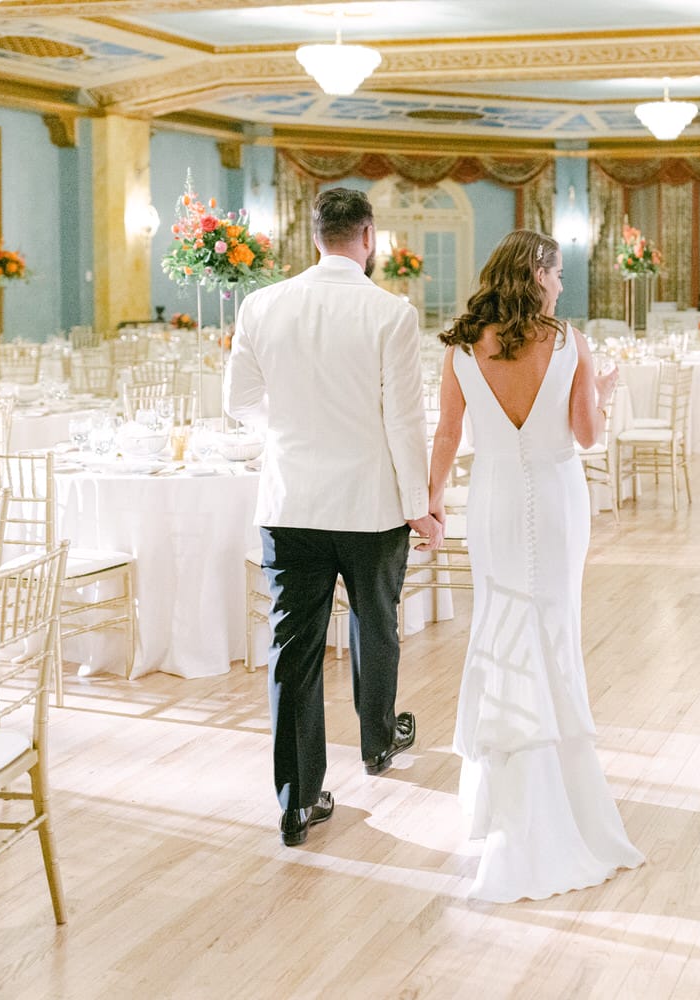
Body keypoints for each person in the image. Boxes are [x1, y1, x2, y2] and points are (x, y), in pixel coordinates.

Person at [224, 187, 444, 848]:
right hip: (371, 505)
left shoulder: (262, 304)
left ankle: (296, 802)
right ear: (368, 237)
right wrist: (421, 507)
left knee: (293, 650)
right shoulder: (390, 313)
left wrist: (290, 427)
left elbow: (238, 399)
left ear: (313, 236)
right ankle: (377, 742)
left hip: (290, 502)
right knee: (378, 626)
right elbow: (405, 423)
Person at [427, 229, 643, 902]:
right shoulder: (568, 341)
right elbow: (586, 436)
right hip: (554, 501)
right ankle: (555, 797)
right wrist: (600, 390)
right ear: (538, 274)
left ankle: (503, 795)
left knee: (498, 628)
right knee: (552, 630)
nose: (559, 284)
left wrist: (429, 505)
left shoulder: (463, 345)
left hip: (490, 502)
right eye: (556, 272)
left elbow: (446, 433)